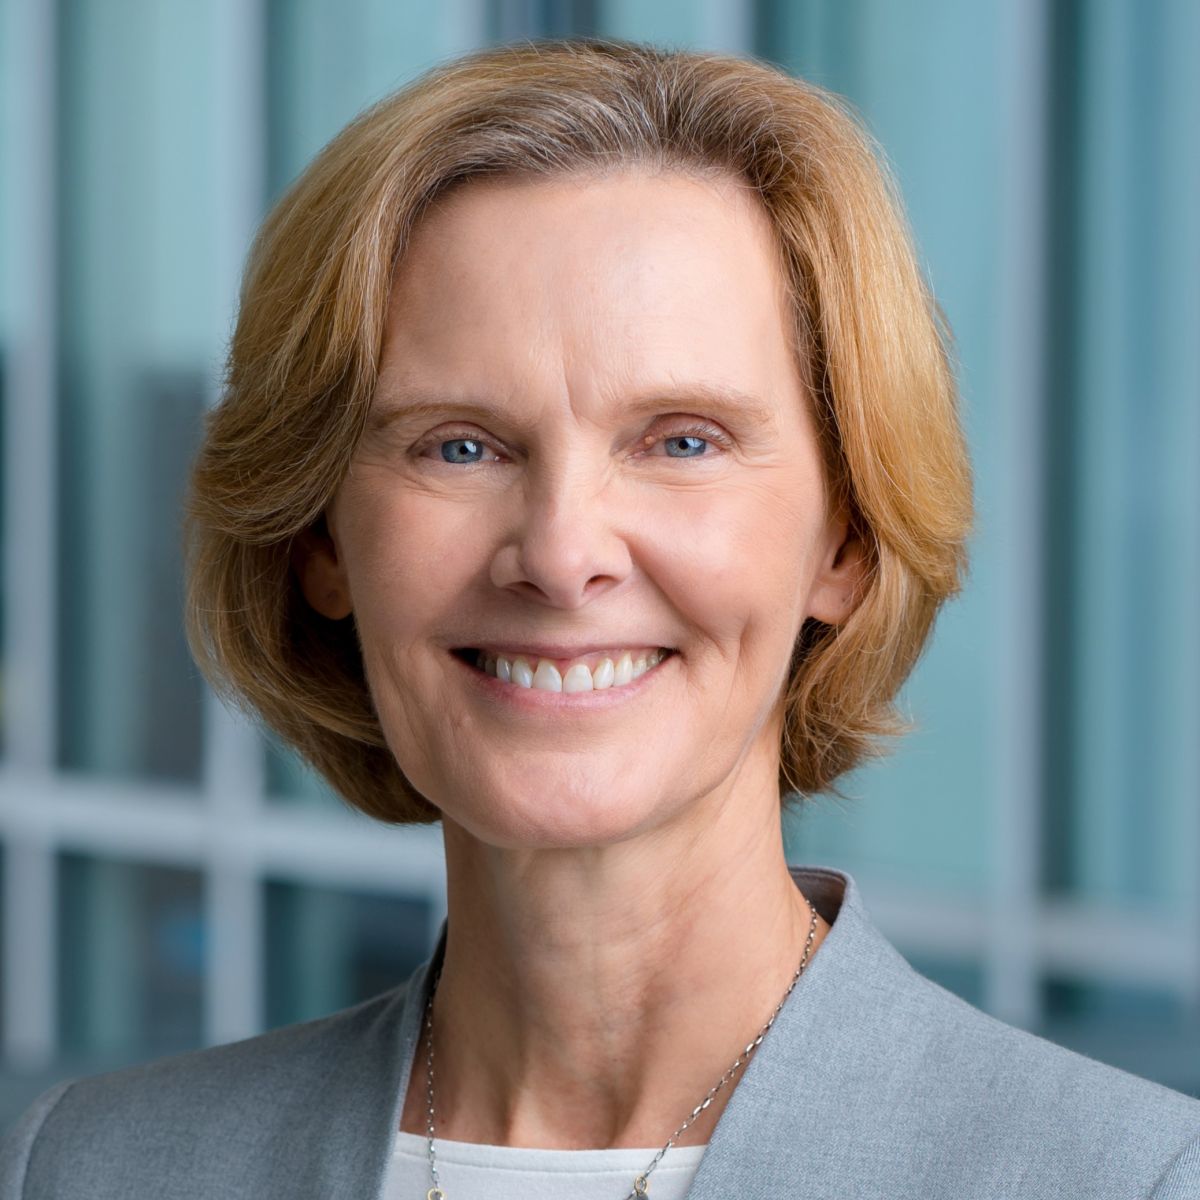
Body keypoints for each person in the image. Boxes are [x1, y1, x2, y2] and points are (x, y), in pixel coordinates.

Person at [3, 36, 1198, 1200]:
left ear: (844, 540)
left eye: (682, 441)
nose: (564, 555)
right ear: (321, 543)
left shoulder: (1128, 1179)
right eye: (458, 445)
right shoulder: (88, 1165)